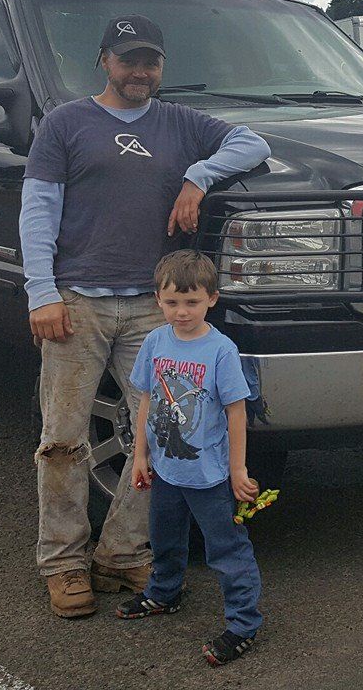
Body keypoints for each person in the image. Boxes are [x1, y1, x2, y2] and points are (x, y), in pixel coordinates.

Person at [21, 14, 271, 617]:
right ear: (104, 60)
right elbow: (37, 212)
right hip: (76, 302)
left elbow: (253, 143)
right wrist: (41, 292)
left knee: (162, 437)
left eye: (151, 61)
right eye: (129, 60)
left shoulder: (181, 124)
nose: (141, 72)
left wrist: (197, 174)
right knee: (63, 439)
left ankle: (124, 555)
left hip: (151, 311)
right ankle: (62, 562)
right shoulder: (65, 124)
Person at [117, 250, 261, 667]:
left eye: (192, 302)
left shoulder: (221, 350)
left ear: (212, 299)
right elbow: (146, 398)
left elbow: (236, 412)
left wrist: (237, 470)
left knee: (226, 550)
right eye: (172, 302)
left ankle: (243, 624)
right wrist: (141, 454)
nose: (182, 312)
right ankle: (164, 592)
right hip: (166, 469)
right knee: (163, 537)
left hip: (210, 476)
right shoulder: (155, 341)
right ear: (158, 300)